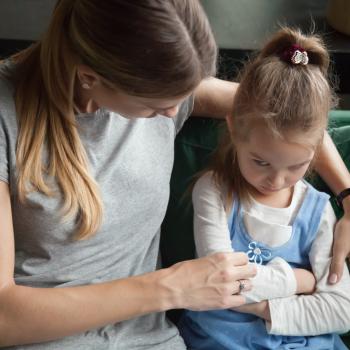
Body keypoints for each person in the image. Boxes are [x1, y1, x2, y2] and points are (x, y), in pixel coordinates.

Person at [0, 0, 348, 348]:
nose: (173, 113)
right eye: (155, 107)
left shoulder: (166, 87)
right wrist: (171, 288)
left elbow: (295, 117)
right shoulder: (6, 118)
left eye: (184, 96)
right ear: (90, 78)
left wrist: (347, 194)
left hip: (152, 340)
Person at [178, 28, 350, 350]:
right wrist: (299, 281)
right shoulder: (215, 192)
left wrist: (261, 306)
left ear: (317, 148)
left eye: (297, 166)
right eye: (260, 162)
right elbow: (220, 281)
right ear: (233, 127)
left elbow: (341, 309)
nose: (276, 180)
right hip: (223, 339)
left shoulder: (318, 210)